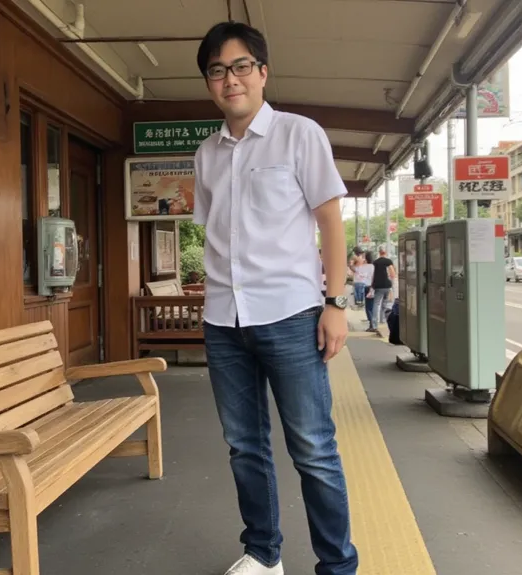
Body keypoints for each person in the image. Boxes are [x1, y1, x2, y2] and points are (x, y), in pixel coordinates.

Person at [192, 21, 358, 575]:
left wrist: (335, 303)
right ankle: (263, 555)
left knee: (312, 448)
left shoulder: (298, 133)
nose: (229, 79)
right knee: (244, 447)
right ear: (210, 82)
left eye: (240, 66)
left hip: (290, 313)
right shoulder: (206, 153)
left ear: (262, 73)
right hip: (223, 318)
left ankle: (337, 565)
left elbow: (330, 221)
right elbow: (217, 233)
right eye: (217, 70)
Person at [367, 246, 396, 332]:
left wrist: (372, 286)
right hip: (387, 285)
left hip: (378, 286)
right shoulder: (388, 261)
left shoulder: (375, 262)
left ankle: (375, 324)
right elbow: (392, 274)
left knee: (376, 304)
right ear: (385, 252)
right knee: (385, 303)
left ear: (379, 253)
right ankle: (382, 320)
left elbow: (373, 275)